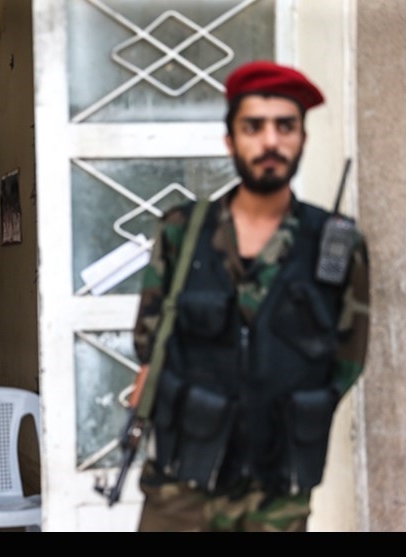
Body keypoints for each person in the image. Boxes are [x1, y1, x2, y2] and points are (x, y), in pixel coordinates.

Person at [131, 61, 370, 532]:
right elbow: (149, 340)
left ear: (302, 139)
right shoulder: (182, 231)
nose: (270, 142)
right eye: (253, 127)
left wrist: (295, 413)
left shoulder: (337, 243)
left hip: (277, 489)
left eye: (285, 126)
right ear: (230, 141)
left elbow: (348, 358)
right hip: (183, 481)